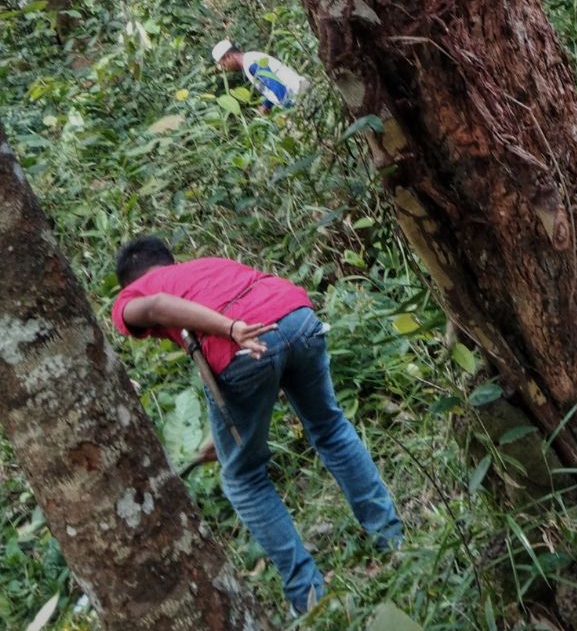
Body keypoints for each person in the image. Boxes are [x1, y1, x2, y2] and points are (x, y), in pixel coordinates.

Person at [111, 237, 402, 615]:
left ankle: (310, 597)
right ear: (170, 261)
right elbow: (272, 342)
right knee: (330, 428)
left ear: (130, 281)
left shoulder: (133, 296)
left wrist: (230, 328)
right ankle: (392, 539)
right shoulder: (202, 265)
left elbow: (159, 306)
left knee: (243, 479)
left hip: (243, 342)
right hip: (296, 315)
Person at [212, 39, 310, 113]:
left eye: (224, 64)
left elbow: (276, 86)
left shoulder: (251, 63)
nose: (226, 68)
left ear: (229, 56)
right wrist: (266, 105)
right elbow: (271, 85)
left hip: (298, 95)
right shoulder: (249, 61)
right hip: (295, 94)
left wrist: (289, 110)